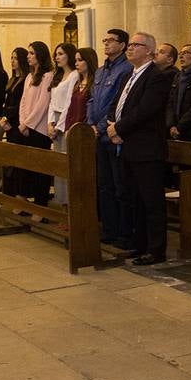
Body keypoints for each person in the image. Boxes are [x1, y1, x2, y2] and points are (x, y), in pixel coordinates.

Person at [106, 32, 175, 265]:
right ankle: (140, 244)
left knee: (151, 201)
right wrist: (111, 124)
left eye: (136, 45)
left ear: (149, 51)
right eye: (130, 44)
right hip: (128, 146)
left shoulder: (156, 77)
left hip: (147, 148)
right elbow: (117, 104)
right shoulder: (129, 75)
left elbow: (145, 110)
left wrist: (118, 129)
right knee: (134, 199)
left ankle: (156, 250)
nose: (130, 48)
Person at [88, 29, 134, 247]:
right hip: (98, 136)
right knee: (104, 185)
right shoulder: (100, 71)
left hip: (113, 135)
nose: (106, 44)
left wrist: (99, 127)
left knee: (120, 185)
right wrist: (90, 124)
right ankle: (108, 229)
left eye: (111, 41)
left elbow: (115, 104)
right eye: (104, 40)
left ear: (122, 45)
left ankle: (124, 233)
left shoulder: (126, 69)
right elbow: (92, 99)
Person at [13, 42, 54, 206]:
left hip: (39, 128)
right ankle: (24, 200)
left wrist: (28, 124)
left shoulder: (48, 76)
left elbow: (43, 104)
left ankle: (40, 203)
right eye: (28, 53)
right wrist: (22, 122)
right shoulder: (29, 77)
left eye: (31, 53)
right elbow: (23, 101)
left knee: (40, 169)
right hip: (25, 127)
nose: (28, 56)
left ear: (40, 55)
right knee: (25, 167)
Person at [46, 42, 80, 203]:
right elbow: (52, 102)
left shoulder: (74, 75)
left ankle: (70, 204)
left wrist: (59, 126)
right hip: (55, 120)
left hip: (67, 121)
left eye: (60, 54)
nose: (57, 57)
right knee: (58, 165)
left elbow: (69, 102)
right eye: (56, 55)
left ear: (69, 55)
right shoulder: (57, 76)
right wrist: (49, 123)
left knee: (67, 163)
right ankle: (61, 203)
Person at [0, 47, 28, 192]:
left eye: (16, 58)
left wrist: (7, 117)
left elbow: (20, 103)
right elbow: (6, 101)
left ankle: (17, 190)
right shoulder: (12, 79)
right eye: (11, 58)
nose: (13, 61)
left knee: (18, 157)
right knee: (10, 157)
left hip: (17, 121)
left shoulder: (25, 80)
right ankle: (9, 190)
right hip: (8, 121)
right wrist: (4, 117)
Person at [168, 43, 191, 140]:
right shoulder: (177, 76)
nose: (181, 56)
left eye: (186, 53)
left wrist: (180, 126)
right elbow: (170, 102)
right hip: (173, 128)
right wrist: (171, 125)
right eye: (181, 53)